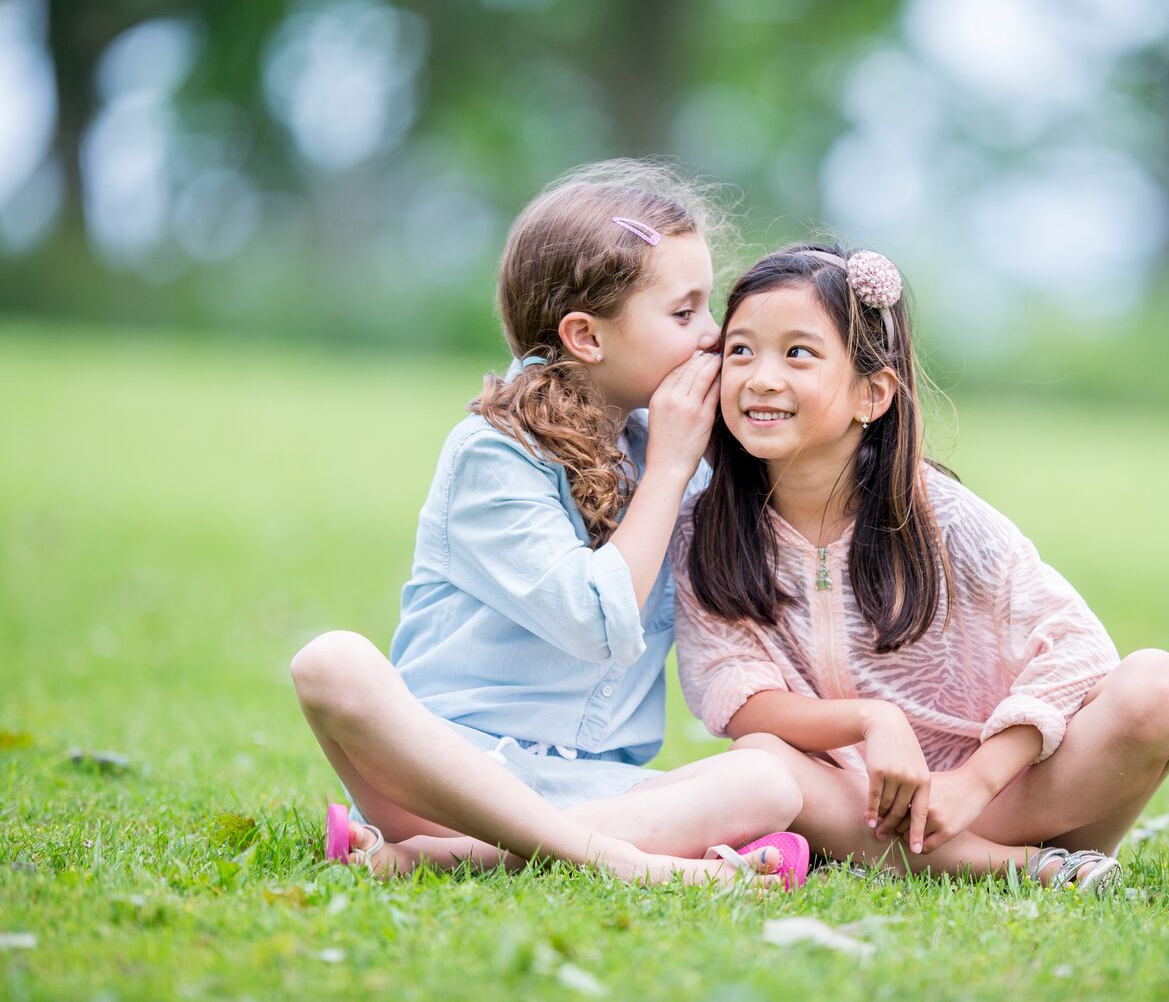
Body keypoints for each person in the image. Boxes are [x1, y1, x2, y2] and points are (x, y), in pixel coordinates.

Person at [289, 161, 805, 888]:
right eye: (684, 314)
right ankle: (626, 862)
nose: (713, 337)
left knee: (771, 780)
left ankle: (450, 857)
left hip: (593, 789)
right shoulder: (493, 453)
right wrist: (667, 470)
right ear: (586, 337)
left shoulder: (668, 448)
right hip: (445, 780)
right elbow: (594, 621)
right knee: (331, 662)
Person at [672, 243, 1169, 893]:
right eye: (741, 351)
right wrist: (872, 719)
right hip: (850, 801)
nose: (760, 377)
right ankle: (1026, 866)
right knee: (760, 757)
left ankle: (952, 852)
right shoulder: (705, 529)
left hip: (994, 795)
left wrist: (975, 781)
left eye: (798, 352)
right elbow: (739, 699)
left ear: (872, 393)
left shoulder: (939, 516)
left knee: (1159, 687)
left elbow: (1077, 648)